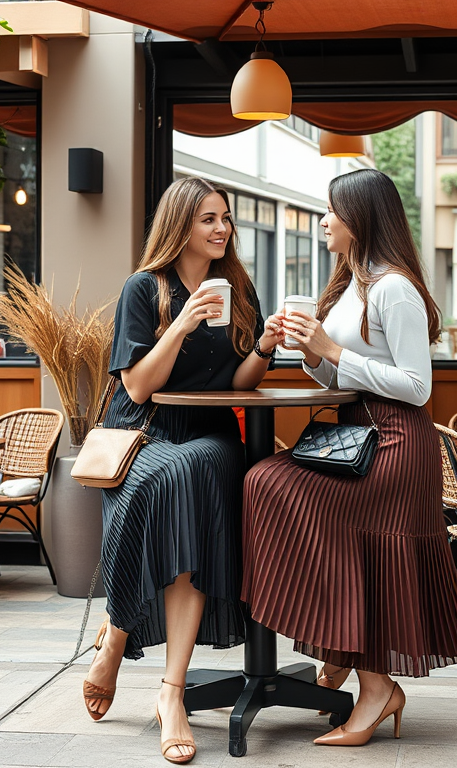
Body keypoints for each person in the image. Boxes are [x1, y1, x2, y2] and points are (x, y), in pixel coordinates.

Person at [242, 169, 457, 747]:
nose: (324, 220)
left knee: (272, 486)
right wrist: (308, 350)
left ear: (360, 218)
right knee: (264, 482)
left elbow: (417, 387)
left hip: (395, 444)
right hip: (358, 439)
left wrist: (328, 347)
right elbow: (336, 376)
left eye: (331, 210)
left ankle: (372, 684)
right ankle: (350, 657)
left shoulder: (394, 287)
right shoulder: (351, 285)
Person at [81, 176, 283, 764]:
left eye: (225, 218)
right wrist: (183, 322)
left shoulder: (239, 290)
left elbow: (238, 388)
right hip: (147, 433)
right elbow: (139, 385)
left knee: (193, 474)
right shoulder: (144, 289)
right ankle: (121, 635)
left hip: (213, 436)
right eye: (208, 220)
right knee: (171, 481)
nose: (222, 229)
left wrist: (263, 347)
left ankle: (166, 687)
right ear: (180, 227)